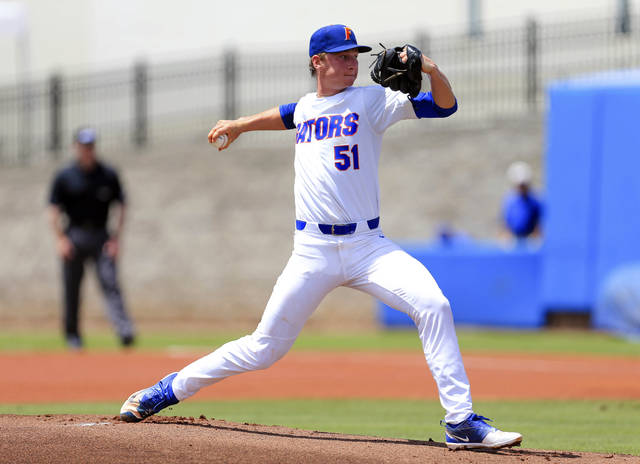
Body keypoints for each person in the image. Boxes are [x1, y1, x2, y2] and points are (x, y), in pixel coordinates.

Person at [119, 25, 522, 450]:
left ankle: (459, 421)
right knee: (264, 348)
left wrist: (430, 67)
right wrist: (240, 124)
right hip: (313, 252)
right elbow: (289, 113)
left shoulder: (372, 100)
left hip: (370, 248)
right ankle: (167, 389)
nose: (353, 62)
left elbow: (445, 107)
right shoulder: (308, 108)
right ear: (318, 62)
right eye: (343, 55)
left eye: (355, 56)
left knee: (433, 304)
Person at [48, 127, 135, 349]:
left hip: (101, 235)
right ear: (76, 147)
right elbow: (54, 210)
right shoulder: (65, 176)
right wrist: (61, 239)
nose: (87, 150)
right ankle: (73, 336)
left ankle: (125, 331)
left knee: (110, 282)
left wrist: (115, 238)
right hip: (74, 235)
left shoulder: (107, 174)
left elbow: (121, 205)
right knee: (72, 288)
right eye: (83, 146)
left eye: (91, 146)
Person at [501, 161, 543, 241]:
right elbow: (505, 224)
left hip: (530, 240)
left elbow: (539, 225)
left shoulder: (535, 201)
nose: (521, 188)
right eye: (519, 185)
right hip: (514, 240)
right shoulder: (510, 201)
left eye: (523, 185)